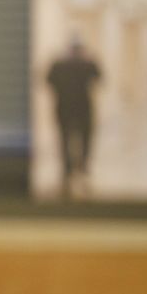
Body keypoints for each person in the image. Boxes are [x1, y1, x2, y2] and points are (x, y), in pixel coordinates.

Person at [45, 37, 102, 198]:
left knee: (67, 140)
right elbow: (99, 77)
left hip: (66, 108)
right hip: (80, 109)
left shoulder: (59, 64)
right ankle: (78, 169)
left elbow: (49, 81)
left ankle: (71, 170)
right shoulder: (85, 64)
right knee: (80, 140)